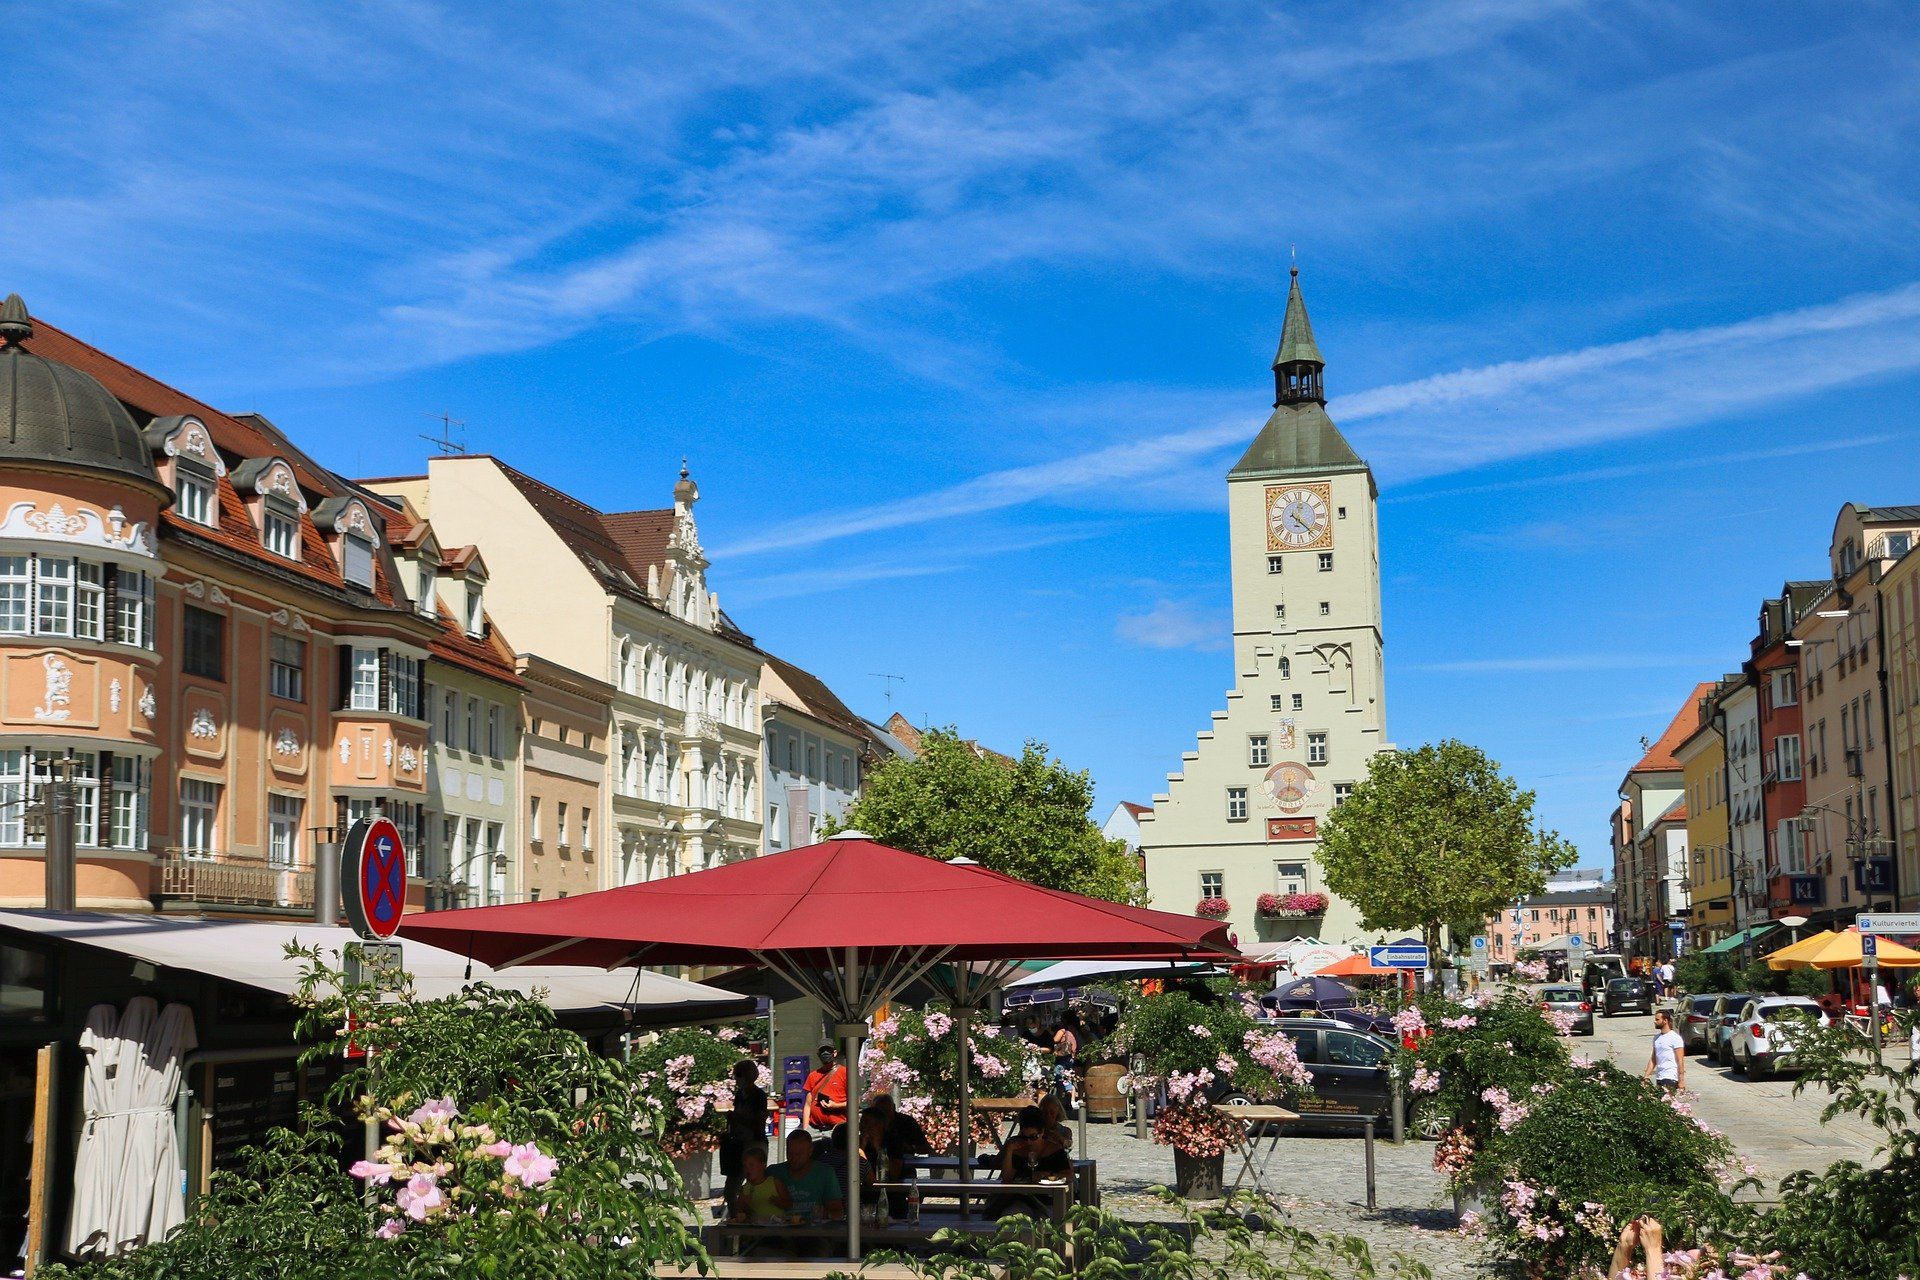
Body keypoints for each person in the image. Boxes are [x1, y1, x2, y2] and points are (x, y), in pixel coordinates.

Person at [996, 1106, 1072, 1220]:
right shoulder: (1017, 1150)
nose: (1028, 1141)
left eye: (1033, 1137)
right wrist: (1009, 1151)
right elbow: (1006, 1178)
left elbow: (1069, 1176)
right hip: (1020, 1199)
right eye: (1024, 1137)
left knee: (1045, 1220)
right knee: (1012, 1219)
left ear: (1042, 1132)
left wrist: (1047, 1175)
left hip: (1048, 1200)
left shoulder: (1055, 1150)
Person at [720, 1059, 770, 1210]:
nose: (736, 1078)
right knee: (730, 1189)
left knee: (753, 1183)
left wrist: (738, 1118)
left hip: (754, 1142)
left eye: (739, 1074)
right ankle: (736, 1217)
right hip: (738, 1143)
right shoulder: (740, 1095)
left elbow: (759, 1123)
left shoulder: (758, 1095)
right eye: (735, 1074)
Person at [769, 1129, 844, 1222]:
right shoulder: (773, 1172)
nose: (794, 1159)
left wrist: (823, 1214)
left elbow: (837, 1211)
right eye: (790, 1153)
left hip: (815, 1232)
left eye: (798, 1154)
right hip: (778, 1231)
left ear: (810, 1151)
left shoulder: (825, 1172)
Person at [729, 1144, 788, 1225]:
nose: (747, 1169)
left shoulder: (774, 1183)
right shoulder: (746, 1188)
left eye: (751, 1165)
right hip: (755, 1229)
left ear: (763, 1165)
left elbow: (789, 1204)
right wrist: (745, 1207)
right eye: (745, 1166)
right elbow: (739, 1210)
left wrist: (778, 1202)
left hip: (777, 1227)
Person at [803, 1045, 847, 1132]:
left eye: (828, 1051)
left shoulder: (844, 1072)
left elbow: (855, 1102)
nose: (825, 1053)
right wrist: (805, 1128)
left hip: (836, 1128)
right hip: (814, 1128)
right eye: (822, 1051)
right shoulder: (813, 1076)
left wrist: (835, 1106)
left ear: (834, 1053)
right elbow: (808, 1104)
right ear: (818, 1054)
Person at [1644, 1009, 1686, 1093]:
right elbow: (1653, 1059)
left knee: (1667, 1103)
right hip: (1659, 1077)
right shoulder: (1656, 1038)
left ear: (1665, 1021)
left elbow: (1680, 1060)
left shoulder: (1675, 1038)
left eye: (1657, 1019)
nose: (1655, 1022)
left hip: (1670, 1077)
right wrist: (1646, 1077)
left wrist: (1681, 1081)